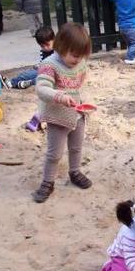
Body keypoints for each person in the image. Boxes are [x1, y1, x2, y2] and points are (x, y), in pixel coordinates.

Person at [32, 22, 94, 203]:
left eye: (82, 56)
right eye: (74, 55)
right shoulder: (49, 65)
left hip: (77, 113)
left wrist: (86, 103)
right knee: (54, 154)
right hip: (57, 116)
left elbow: (81, 85)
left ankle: (75, 172)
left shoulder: (80, 63)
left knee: (76, 148)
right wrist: (59, 96)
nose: (78, 60)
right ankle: (47, 182)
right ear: (61, 47)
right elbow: (41, 89)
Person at [0, 26, 55, 90]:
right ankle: (11, 83)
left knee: (43, 78)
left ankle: (28, 83)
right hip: (44, 70)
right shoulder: (45, 51)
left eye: (47, 45)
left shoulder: (59, 50)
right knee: (28, 74)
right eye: (42, 46)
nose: (45, 48)